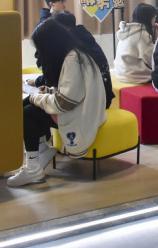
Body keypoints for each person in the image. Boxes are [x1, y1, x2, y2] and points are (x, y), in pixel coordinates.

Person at [9, 20, 107, 187]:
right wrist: (47, 92)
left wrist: (36, 98)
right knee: (27, 106)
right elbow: (72, 93)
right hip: (81, 109)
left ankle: (32, 167)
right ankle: (40, 153)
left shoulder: (73, 60)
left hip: (81, 116)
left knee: (28, 112)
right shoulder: (75, 54)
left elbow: (64, 103)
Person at [51, 11, 115, 109]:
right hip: (105, 97)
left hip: (94, 104)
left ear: (60, 28)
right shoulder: (84, 38)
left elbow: (60, 74)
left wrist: (39, 82)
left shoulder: (71, 45)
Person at [113, 3, 158, 84]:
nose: (155, 19)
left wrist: (155, 36)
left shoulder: (128, 30)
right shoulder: (142, 34)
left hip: (121, 73)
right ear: (148, 18)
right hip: (132, 76)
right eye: (154, 17)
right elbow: (151, 59)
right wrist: (156, 38)